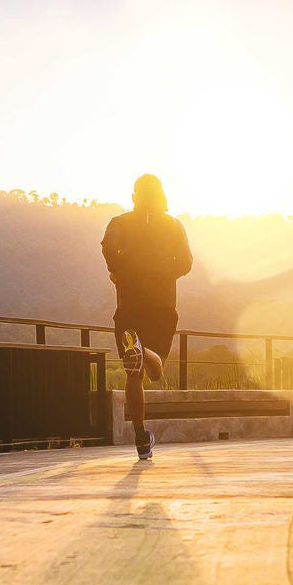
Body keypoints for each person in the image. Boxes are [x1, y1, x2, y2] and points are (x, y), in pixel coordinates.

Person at [101, 173, 193, 460]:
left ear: (134, 196)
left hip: (129, 307)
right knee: (155, 371)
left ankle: (141, 438)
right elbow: (187, 262)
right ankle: (147, 352)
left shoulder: (119, 222)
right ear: (161, 195)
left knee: (134, 375)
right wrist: (165, 273)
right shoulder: (174, 225)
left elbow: (107, 248)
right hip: (162, 306)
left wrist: (120, 271)